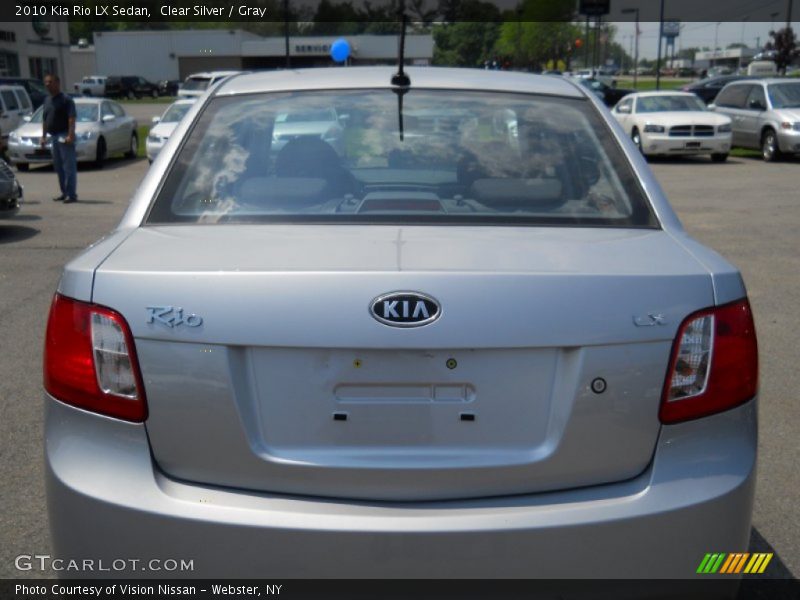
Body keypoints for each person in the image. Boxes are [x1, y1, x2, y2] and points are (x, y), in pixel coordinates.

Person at [41, 73, 77, 203]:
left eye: (50, 82)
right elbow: (45, 120)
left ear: (57, 83)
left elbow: (71, 118)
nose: (47, 84)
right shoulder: (47, 100)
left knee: (68, 166)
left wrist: (70, 135)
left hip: (64, 135)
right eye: (45, 82)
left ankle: (71, 194)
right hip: (53, 136)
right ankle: (64, 192)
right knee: (58, 166)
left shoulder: (66, 100)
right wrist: (43, 137)